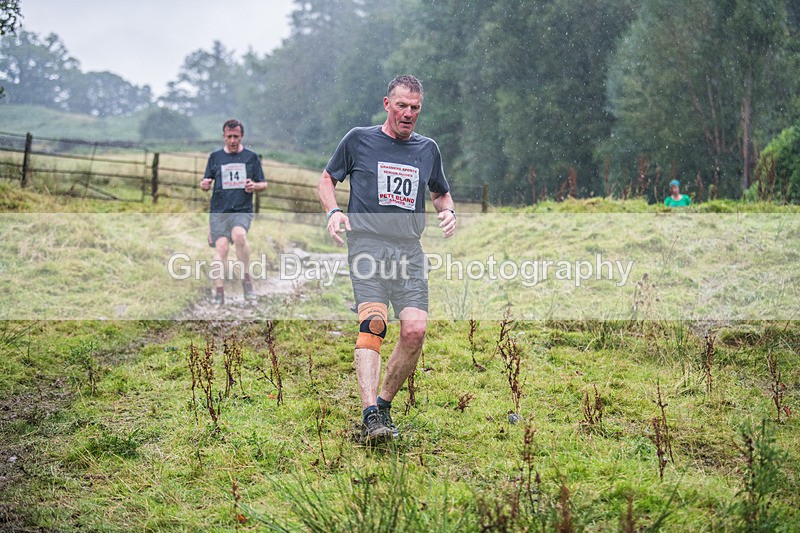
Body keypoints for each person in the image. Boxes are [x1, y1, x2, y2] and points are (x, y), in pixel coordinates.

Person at [317, 75, 457, 443]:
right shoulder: (359, 139)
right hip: (367, 245)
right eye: (401, 106)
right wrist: (333, 212)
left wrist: (449, 211)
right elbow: (326, 180)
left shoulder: (428, 149)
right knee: (374, 323)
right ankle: (368, 417)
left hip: (409, 250)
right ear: (386, 104)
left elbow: (442, 193)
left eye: (415, 108)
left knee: (415, 330)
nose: (408, 114)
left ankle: (383, 407)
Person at [200, 119, 267, 305]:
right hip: (219, 211)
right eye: (229, 136)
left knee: (239, 236)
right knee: (221, 248)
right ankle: (219, 292)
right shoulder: (215, 157)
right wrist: (204, 184)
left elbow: (264, 184)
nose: (232, 140)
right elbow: (205, 181)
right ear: (224, 136)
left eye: (236, 136)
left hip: (241, 209)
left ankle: (247, 281)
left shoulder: (251, 157)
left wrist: (254, 185)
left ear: (241, 136)